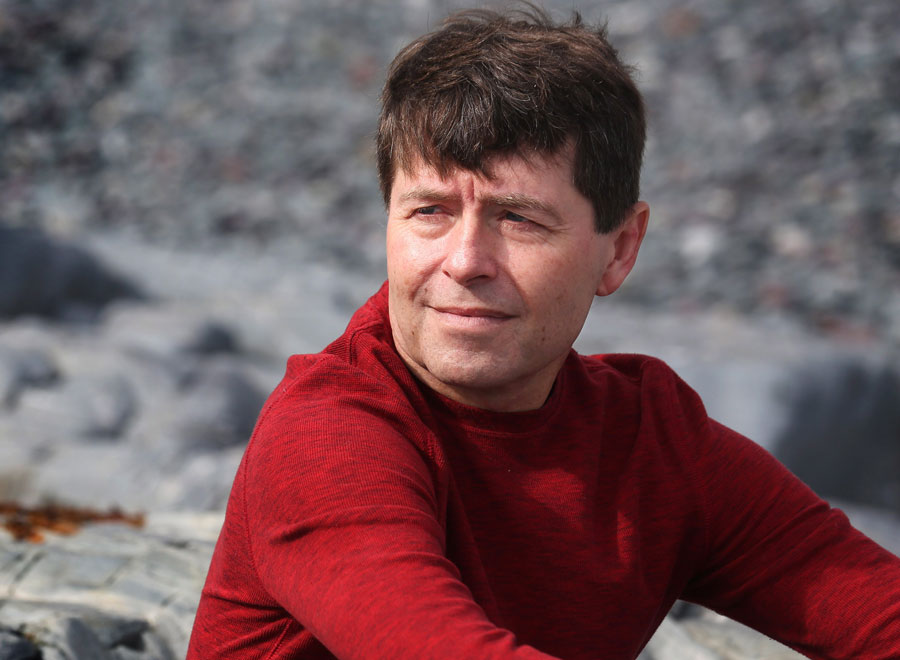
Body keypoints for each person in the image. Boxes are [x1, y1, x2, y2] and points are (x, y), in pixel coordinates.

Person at [187, 7, 900, 659]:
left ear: (619, 250)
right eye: (429, 211)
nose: (464, 262)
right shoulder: (327, 435)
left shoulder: (651, 442)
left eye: (519, 219)